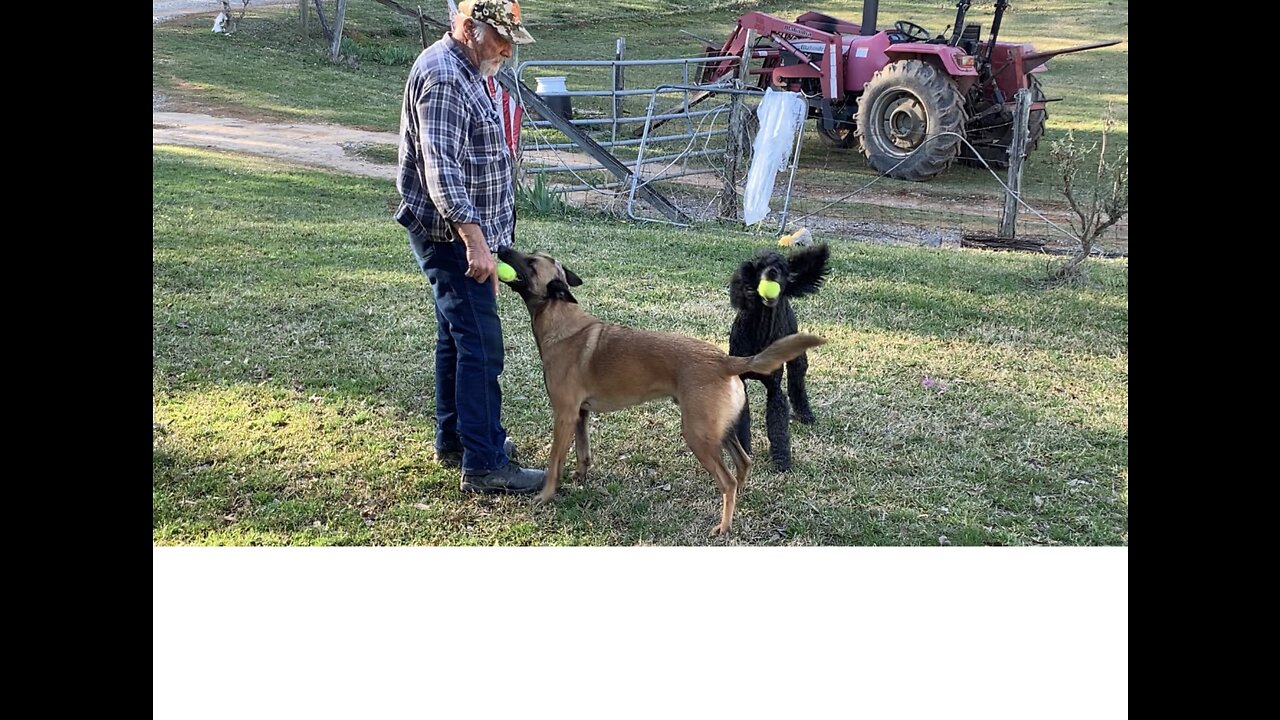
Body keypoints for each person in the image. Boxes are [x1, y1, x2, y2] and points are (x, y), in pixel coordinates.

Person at [394, 0, 543, 495]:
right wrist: (477, 245)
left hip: (468, 236)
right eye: (498, 38)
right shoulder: (443, 77)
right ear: (467, 28)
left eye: (509, 40)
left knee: (457, 337)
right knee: (481, 345)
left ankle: (458, 438)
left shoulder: (469, 67)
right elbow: (443, 172)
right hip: (452, 238)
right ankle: (484, 463)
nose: (505, 48)